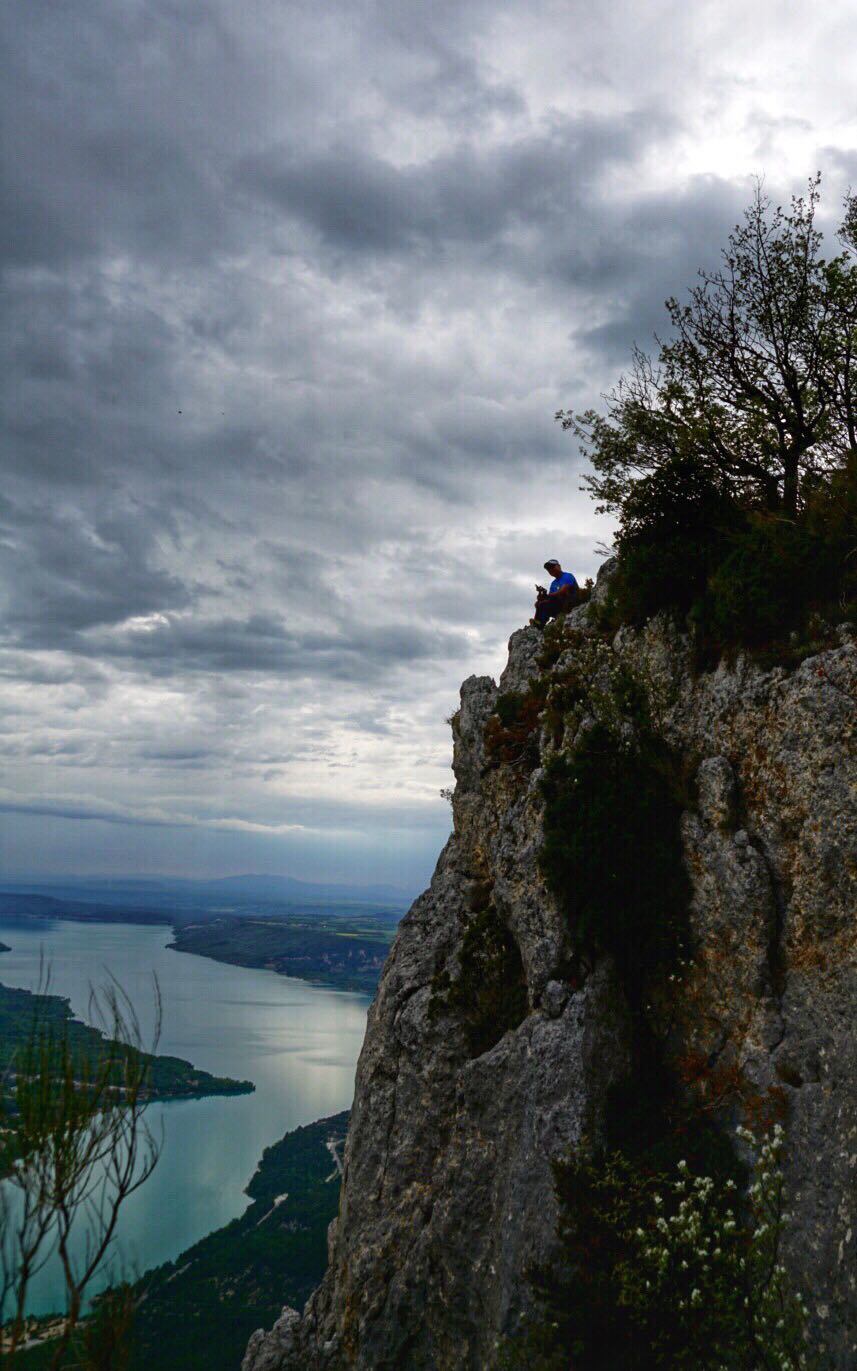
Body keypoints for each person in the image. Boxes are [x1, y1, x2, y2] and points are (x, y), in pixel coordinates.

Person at [532, 559, 578, 626]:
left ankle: (539, 623)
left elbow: (564, 590)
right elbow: (550, 598)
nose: (550, 570)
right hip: (559, 606)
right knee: (541, 604)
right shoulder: (553, 583)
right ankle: (538, 624)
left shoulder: (568, 576)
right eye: (548, 569)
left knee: (550, 600)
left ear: (559, 566)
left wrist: (549, 596)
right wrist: (542, 599)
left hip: (571, 602)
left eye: (552, 567)